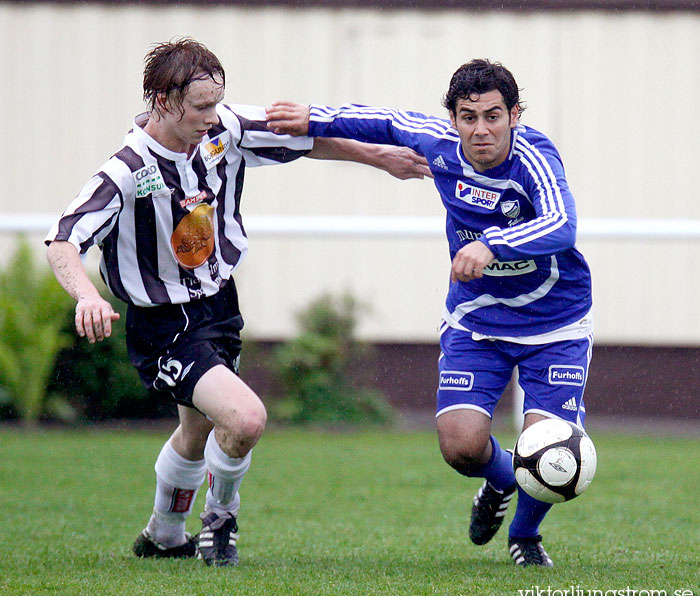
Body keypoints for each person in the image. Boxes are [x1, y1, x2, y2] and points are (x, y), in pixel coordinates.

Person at [46, 37, 431, 568]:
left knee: (198, 429)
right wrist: (85, 296)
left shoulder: (223, 129)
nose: (213, 116)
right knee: (246, 418)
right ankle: (221, 522)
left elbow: (306, 139)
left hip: (219, 306)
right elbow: (63, 239)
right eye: (201, 106)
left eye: (217, 102)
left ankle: (162, 533)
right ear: (163, 101)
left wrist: (377, 156)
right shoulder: (126, 169)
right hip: (164, 323)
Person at [267, 59, 593, 568]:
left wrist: (493, 244)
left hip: (556, 323)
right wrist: (312, 116)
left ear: (514, 115)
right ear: (453, 117)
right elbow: (381, 121)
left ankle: (525, 538)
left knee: (550, 444)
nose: (481, 129)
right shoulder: (438, 143)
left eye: (493, 116)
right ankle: (502, 481)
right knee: (461, 446)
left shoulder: (535, 157)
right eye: (468, 117)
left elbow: (562, 224)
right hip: (478, 321)